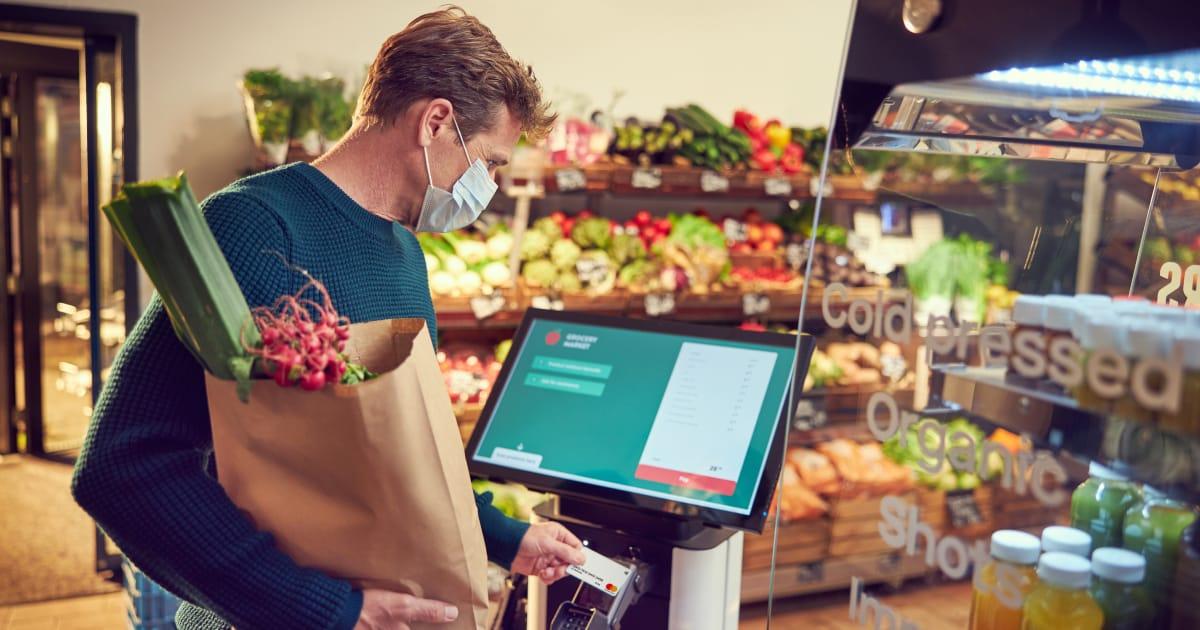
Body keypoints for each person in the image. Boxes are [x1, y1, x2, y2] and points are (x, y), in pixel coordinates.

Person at [72, 7, 584, 629]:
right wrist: (328, 611)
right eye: (491, 163)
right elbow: (123, 466)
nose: (489, 188)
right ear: (436, 122)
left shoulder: (404, 255)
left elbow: (401, 456)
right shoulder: (254, 226)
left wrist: (506, 538)